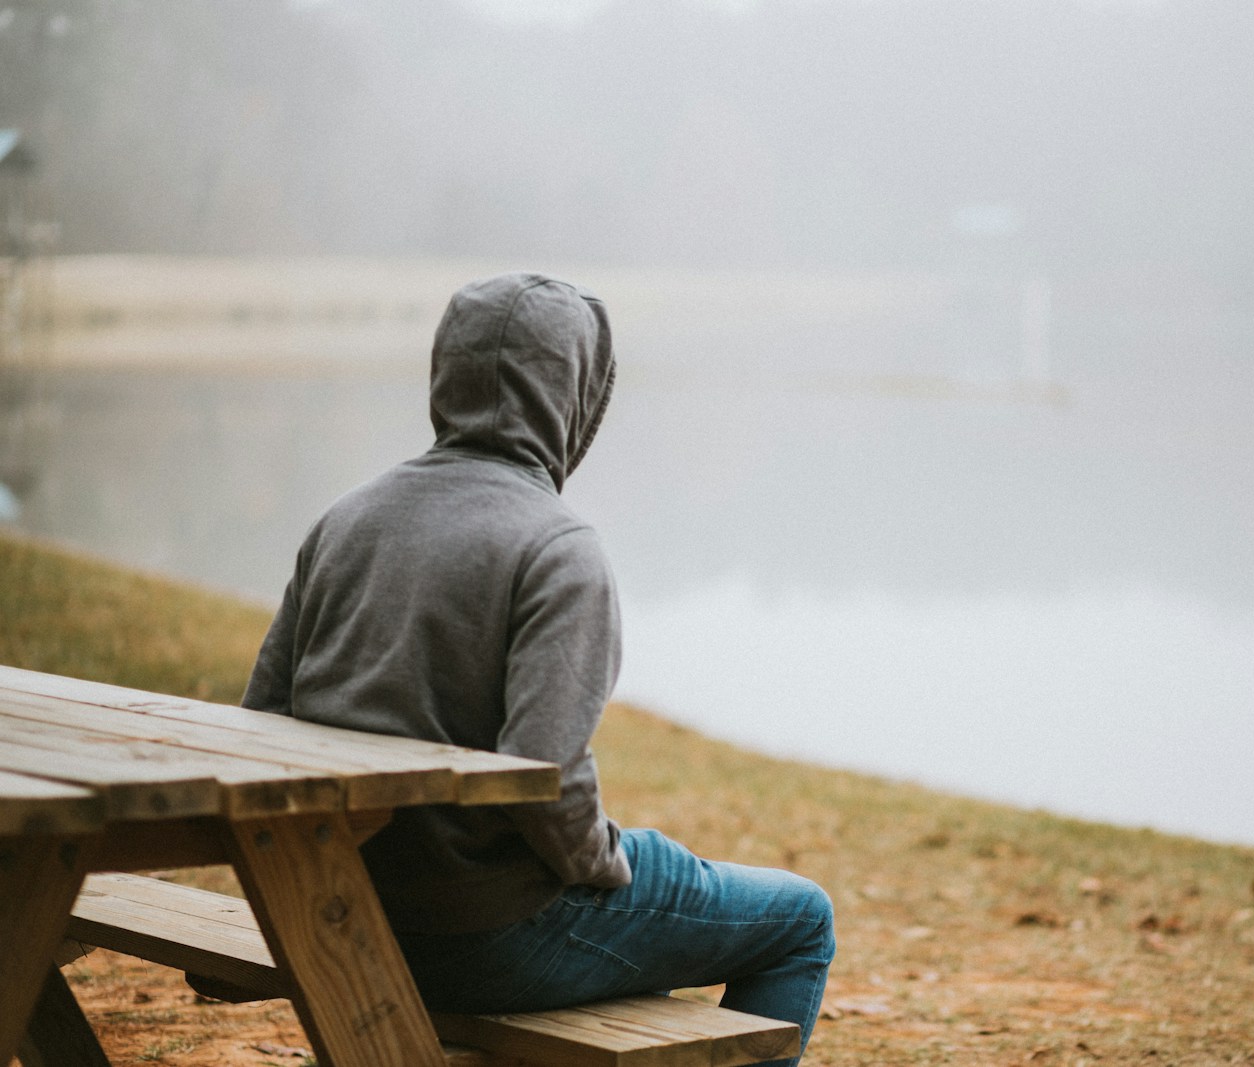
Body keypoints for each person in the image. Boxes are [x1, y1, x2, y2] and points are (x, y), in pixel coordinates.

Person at [242, 273, 834, 1065]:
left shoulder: (345, 520)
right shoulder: (557, 548)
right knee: (802, 919)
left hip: (342, 910)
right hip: (491, 931)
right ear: (574, 397)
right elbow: (546, 776)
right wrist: (606, 862)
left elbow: (260, 722)